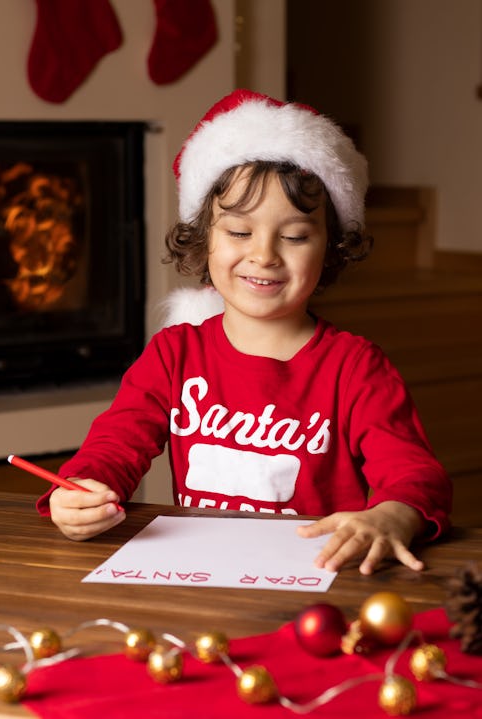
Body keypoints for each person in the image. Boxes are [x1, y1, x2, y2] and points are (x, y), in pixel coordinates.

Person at [37, 88, 452, 575]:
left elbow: (413, 472)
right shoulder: (176, 353)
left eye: (295, 236)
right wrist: (82, 489)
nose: (264, 255)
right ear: (203, 239)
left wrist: (392, 514)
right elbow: (115, 444)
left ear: (332, 247)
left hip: (323, 580)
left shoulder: (356, 367)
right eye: (239, 232)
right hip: (200, 573)